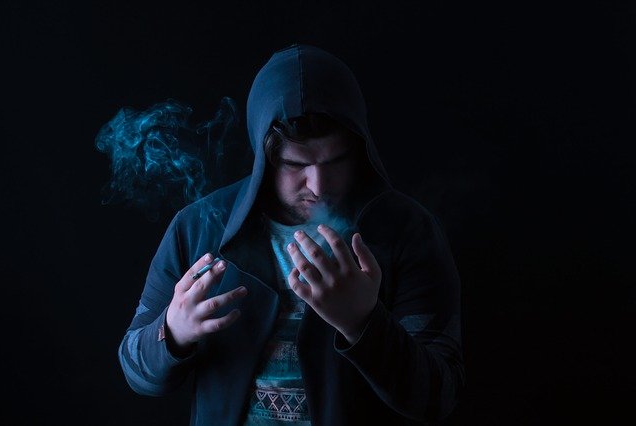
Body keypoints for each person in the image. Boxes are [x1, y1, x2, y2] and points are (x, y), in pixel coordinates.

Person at [118, 43, 465, 425]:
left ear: (359, 148)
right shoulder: (200, 226)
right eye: (296, 164)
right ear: (265, 158)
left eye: (336, 160)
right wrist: (172, 332)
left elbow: (439, 395)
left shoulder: (407, 231)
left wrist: (363, 323)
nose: (318, 185)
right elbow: (135, 370)